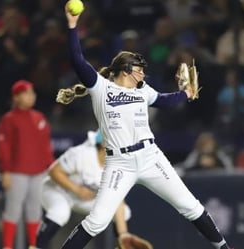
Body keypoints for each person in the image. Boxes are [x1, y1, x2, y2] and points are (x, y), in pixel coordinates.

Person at [59, 4, 233, 249]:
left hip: (150, 157)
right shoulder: (101, 88)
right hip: (119, 163)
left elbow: (166, 101)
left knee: (190, 206)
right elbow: (77, 59)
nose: (143, 74)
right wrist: (72, 26)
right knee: (97, 222)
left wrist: (186, 93)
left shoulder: (143, 90)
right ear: (126, 70)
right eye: (139, 69)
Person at [33, 130, 150, 249]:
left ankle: (120, 245)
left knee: (124, 211)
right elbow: (54, 172)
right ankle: (36, 246)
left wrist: (123, 234)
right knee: (60, 211)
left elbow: (117, 201)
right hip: (58, 191)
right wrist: (77, 189)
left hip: (84, 198)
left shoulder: (119, 166)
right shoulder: (83, 153)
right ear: (105, 143)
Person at [0, 80, 55, 249]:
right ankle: (7, 246)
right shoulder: (8, 119)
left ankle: (33, 245)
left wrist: (51, 169)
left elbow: (46, 148)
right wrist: (5, 171)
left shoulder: (39, 117)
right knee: (13, 210)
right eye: (27, 93)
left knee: (35, 211)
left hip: (39, 172)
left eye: (32, 93)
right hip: (16, 172)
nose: (31, 96)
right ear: (17, 97)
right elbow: (3, 147)